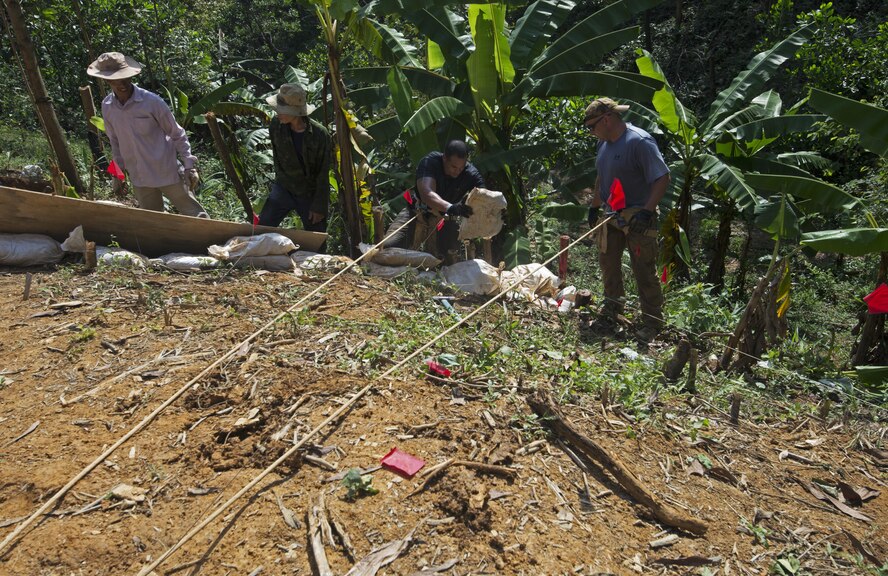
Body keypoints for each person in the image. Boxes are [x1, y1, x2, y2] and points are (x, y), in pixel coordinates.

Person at [583, 97, 670, 342]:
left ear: (607, 119)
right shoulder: (603, 144)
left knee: (643, 269)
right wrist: (595, 206)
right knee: (608, 263)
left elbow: (662, 178)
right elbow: (602, 175)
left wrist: (647, 211)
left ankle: (652, 323)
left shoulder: (639, 141)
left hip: (639, 215)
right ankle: (612, 309)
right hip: (612, 214)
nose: (591, 132)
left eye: (592, 127)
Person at [87, 52, 208, 218]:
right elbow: (115, 142)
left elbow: (177, 133)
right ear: (107, 80)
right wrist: (117, 173)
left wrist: (189, 165)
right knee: (153, 222)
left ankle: (211, 243)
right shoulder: (107, 106)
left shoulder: (151, 102)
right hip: (139, 177)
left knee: (196, 216)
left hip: (167, 171)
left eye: (125, 77)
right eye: (116, 80)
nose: (122, 83)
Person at [385, 140, 485, 264]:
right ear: (444, 158)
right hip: (416, 212)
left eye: (461, 167)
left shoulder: (471, 173)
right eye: (453, 167)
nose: (457, 171)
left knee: (450, 259)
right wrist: (451, 207)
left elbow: (484, 197)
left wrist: (496, 210)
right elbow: (426, 193)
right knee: (388, 248)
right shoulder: (430, 162)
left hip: (444, 220)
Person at [258, 84, 332, 235]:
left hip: (309, 192)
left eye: (283, 110)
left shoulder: (319, 135)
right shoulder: (276, 126)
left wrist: (319, 206)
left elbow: (323, 172)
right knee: (262, 228)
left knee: (317, 238)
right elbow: (277, 158)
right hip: (284, 186)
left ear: (297, 112)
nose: (278, 113)